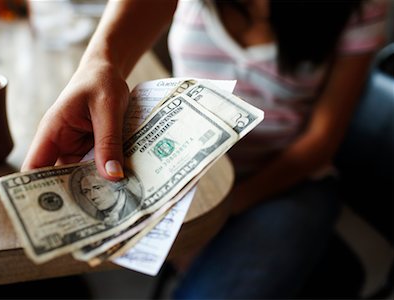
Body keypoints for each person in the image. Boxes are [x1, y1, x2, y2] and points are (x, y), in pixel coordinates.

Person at [22, 0, 388, 298]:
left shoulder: (361, 8)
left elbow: (320, 143)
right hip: (194, 178)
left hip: (290, 180)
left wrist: (215, 217)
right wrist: (99, 64)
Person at [72, 165, 141, 225]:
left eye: (97, 188)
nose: (92, 196)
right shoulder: (98, 217)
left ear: (116, 184)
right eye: (86, 191)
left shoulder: (138, 202)